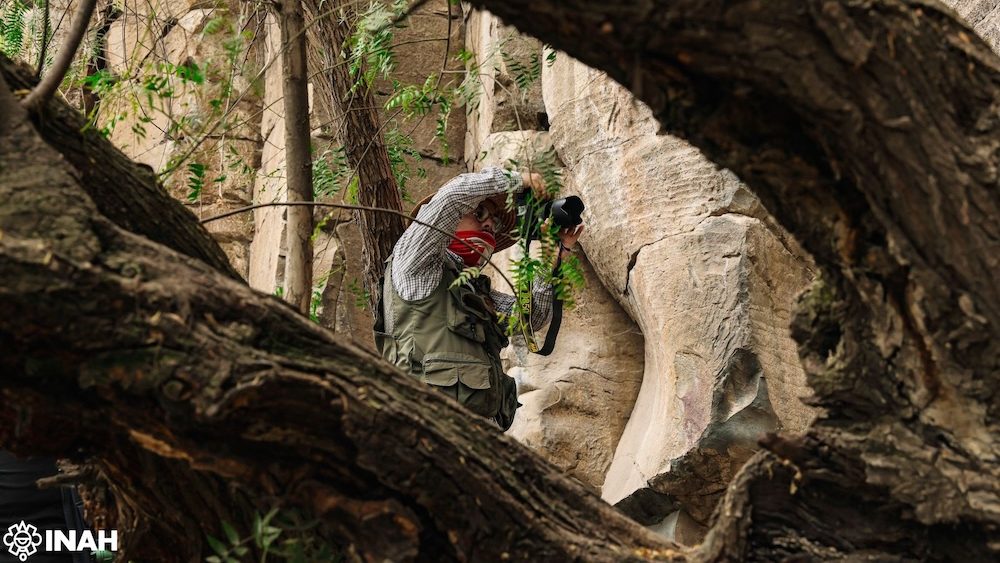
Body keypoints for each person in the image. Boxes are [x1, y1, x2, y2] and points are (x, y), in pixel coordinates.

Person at [374, 167, 583, 430]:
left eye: (494, 222)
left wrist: (552, 259)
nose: (488, 225)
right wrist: (517, 180)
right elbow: (452, 197)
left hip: (482, 433)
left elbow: (529, 321)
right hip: (428, 428)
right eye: (480, 213)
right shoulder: (413, 264)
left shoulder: (472, 290)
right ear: (444, 221)